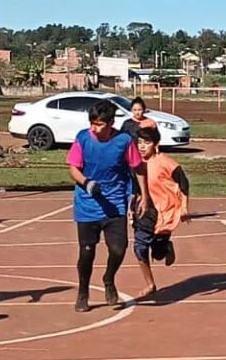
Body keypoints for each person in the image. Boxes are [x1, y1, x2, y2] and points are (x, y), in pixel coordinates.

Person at [69, 100, 146, 312]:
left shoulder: (124, 141)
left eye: (99, 124)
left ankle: (109, 278)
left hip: (115, 205)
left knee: (118, 249)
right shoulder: (83, 138)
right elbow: (73, 168)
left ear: (111, 123)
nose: (94, 127)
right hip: (87, 205)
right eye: (92, 123)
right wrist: (86, 182)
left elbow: (139, 168)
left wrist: (144, 196)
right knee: (86, 252)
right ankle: (83, 291)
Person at [131, 126, 192, 297]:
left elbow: (184, 183)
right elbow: (135, 189)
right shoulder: (135, 164)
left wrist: (184, 207)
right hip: (144, 211)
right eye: (139, 143)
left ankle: (165, 247)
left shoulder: (166, 162)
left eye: (147, 143)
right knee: (139, 247)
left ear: (156, 144)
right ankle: (150, 284)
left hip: (164, 211)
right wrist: (131, 209)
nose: (142, 147)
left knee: (158, 254)